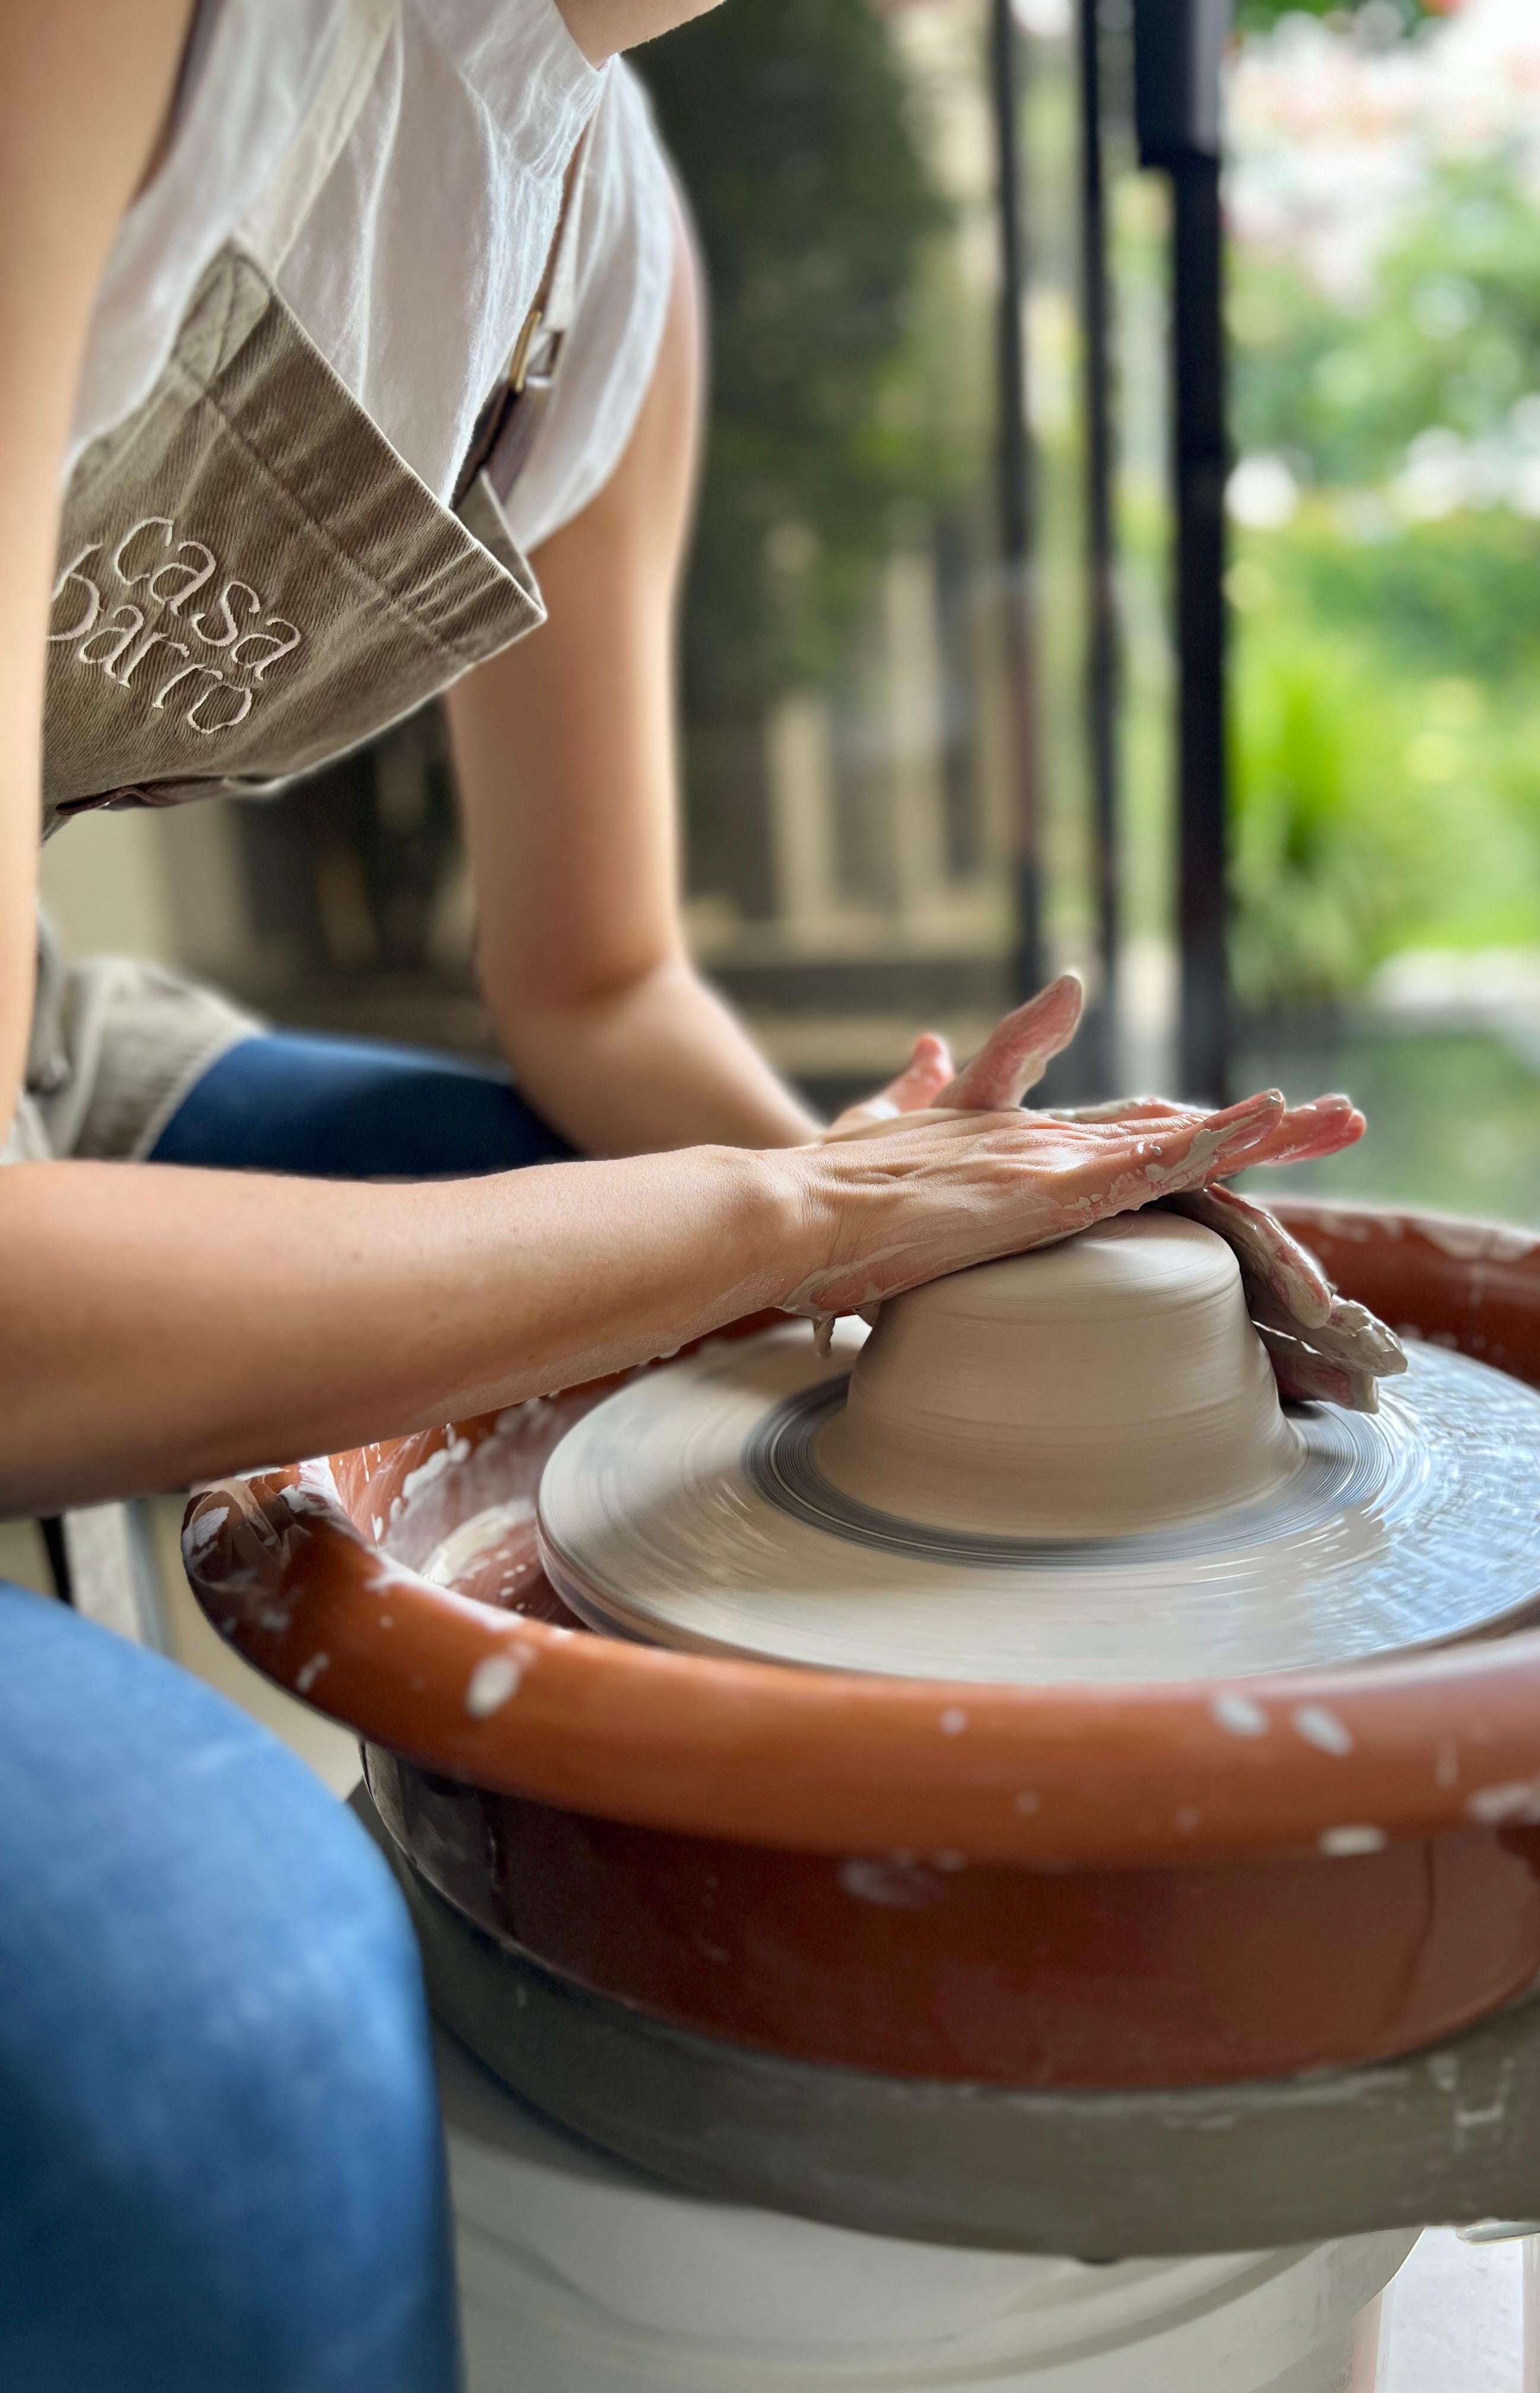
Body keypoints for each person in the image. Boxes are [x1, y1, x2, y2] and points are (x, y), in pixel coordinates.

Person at [0, 4, 1363, 2385]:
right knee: (223, 2039)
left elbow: (603, 985)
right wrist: (791, 1223)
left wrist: (926, 1228)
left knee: (678, 1311)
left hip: (34, 1042)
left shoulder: (592, 219)